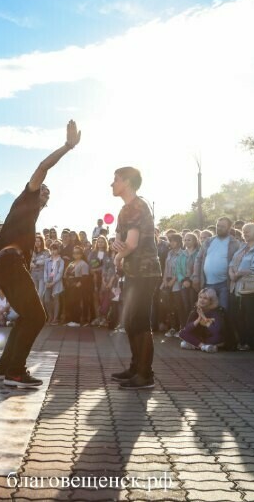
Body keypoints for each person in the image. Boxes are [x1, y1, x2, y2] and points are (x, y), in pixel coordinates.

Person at [0, 120, 80, 388]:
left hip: (6, 264)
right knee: (37, 317)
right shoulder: (25, 198)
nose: (44, 192)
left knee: (27, 316)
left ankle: (5, 368)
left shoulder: (28, 218)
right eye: (42, 189)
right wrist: (67, 146)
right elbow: (43, 167)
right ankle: (16, 372)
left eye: (47, 194)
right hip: (9, 262)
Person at [107, 166, 162, 390]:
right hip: (133, 271)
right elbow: (119, 240)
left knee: (139, 322)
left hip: (145, 271)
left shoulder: (137, 206)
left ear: (128, 182)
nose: (112, 184)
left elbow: (130, 244)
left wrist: (117, 256)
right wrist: (116, 248)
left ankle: (145, 374)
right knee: (130, 321)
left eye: (116, 179)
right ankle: (135, 367)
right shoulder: (124, 210)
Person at [229, 223, 254, 352]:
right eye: (244, 231)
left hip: (252, 289)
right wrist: (232, 274)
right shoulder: (242, 247)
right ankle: (241, 340)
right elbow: (232, 263)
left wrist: (239, 273)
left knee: (250, 317)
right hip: (236, 287)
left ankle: (249, 343)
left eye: (248, 231)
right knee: (238, 316)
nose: (245, 233)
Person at [178, 288, 229, 353]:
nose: (201, 300)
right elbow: (187, 329)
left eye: (205, 298)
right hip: (201, 338)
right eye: (200, 297)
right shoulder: (196, 310)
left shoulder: (216, 312)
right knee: (182, 333)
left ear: (211, 301)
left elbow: (216, 331)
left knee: (184, 344)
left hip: (212, 337)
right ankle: (203, 347)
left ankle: (195, 345)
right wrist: (198, 319)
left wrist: (204, 318)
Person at [64, 245, 90, 327]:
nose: (76, 254)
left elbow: (85, 276)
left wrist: (79, 283)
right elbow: (66, 274)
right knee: (71, 302)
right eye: (74, 253)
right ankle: (72, 320)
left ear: (81, 254)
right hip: (70, 286)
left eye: (78, 253)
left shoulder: (83, 264)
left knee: (77, 303)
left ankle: (77, 321)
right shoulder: (71, 263)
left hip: (78, 286)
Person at [43, 243, 65, 325]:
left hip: (56, 282)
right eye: (51, 249)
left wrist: (53, 282)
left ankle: (55, 319)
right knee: (46, 300)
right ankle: (50, 316)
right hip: (48, 282)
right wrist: (46, 281)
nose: (53, 251)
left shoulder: (61, 261)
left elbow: (60, 273)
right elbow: (45, 271)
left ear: (58, 250)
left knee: (56, 300)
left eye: (55, 249)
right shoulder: (47, 260)